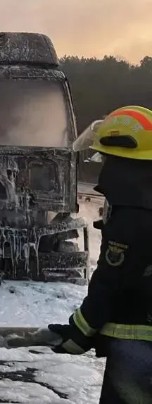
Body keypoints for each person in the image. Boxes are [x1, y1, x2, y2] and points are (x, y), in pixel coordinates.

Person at [49, 105, 152, 404]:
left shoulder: (134, 213)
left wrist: (80, 331)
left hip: (139, 349)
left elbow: (112, 280)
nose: (103, 165)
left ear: (124, 161)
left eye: (106, 157)